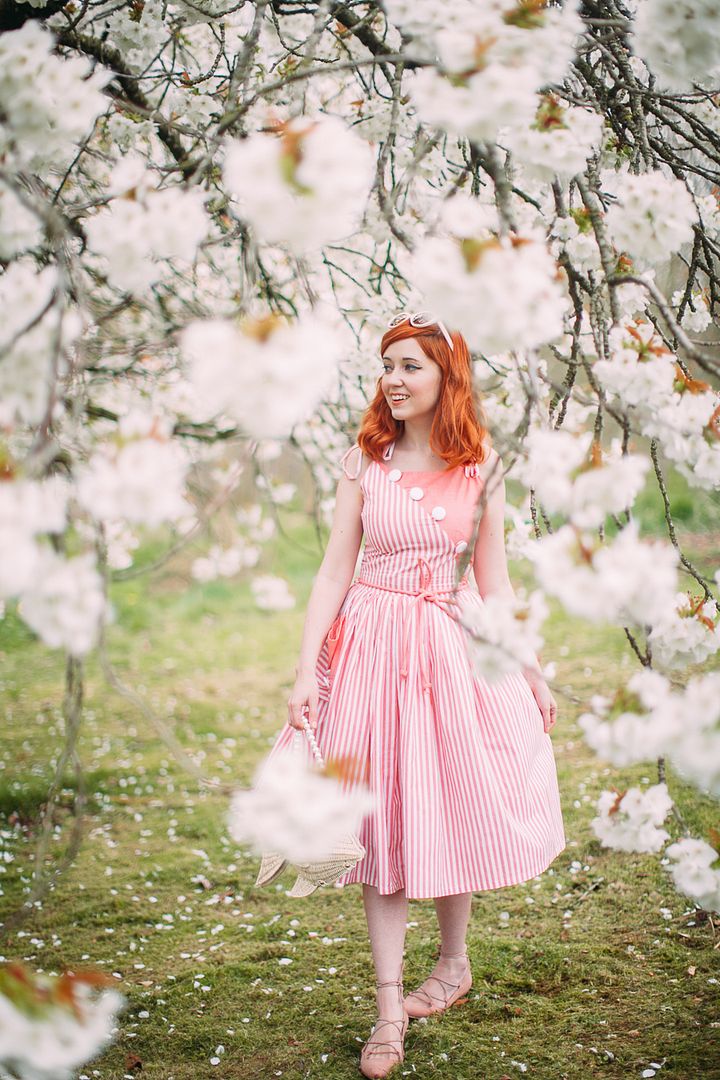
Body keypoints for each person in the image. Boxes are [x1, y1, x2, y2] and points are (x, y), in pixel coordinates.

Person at [266, 312, 565, 1078]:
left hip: (451, 649)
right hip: (370, 649)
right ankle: (389, 1008)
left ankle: (454, 963)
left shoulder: (480, 469)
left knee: (452, 802)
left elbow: (494, 581)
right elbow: (333, 571)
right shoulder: (363, 463)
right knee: (384, 823)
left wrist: (531, 668)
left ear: (446, 379)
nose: (394, 381)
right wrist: (306, 670)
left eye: (411, 367)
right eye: (387, 366)